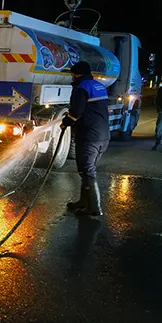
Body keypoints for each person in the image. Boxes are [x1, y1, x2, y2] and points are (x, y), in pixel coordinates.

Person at [61, 61, 109, 217]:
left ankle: (94, 208)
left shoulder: (81, 88)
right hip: (102, 135)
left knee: (87, 170)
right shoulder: (98, 86)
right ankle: (83, 202)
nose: (72, 76)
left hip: (89, 135)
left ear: (77, 74)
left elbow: (76, 111)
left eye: (72, 74)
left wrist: (66, 122)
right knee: (86, 169)